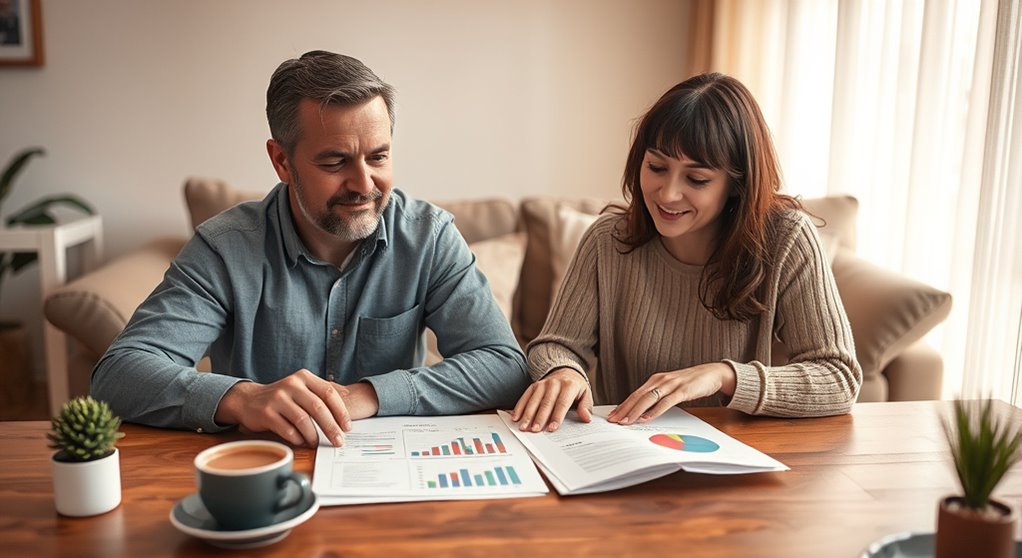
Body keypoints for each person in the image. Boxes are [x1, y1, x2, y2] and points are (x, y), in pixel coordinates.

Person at [93, 51, 529, 447]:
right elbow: (119, 374)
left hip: (391, 475)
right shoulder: (224, 249)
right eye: (335, 162)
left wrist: (369, 395)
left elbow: (505, 365)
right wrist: (242, 398)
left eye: (378, 157)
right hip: (262, 471)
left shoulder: (428, 237)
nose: (364, 185)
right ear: (281, 161)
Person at [512, 72, 862, 432]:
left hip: (738, 452)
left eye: (696, 179)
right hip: (623, 450)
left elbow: (838, 378)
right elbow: (555, 345)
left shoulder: (786, 239)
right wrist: (564, 370)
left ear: (737, 184)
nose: (667, 194)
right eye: (657, 167)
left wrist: (724, 375)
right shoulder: (607, 240)